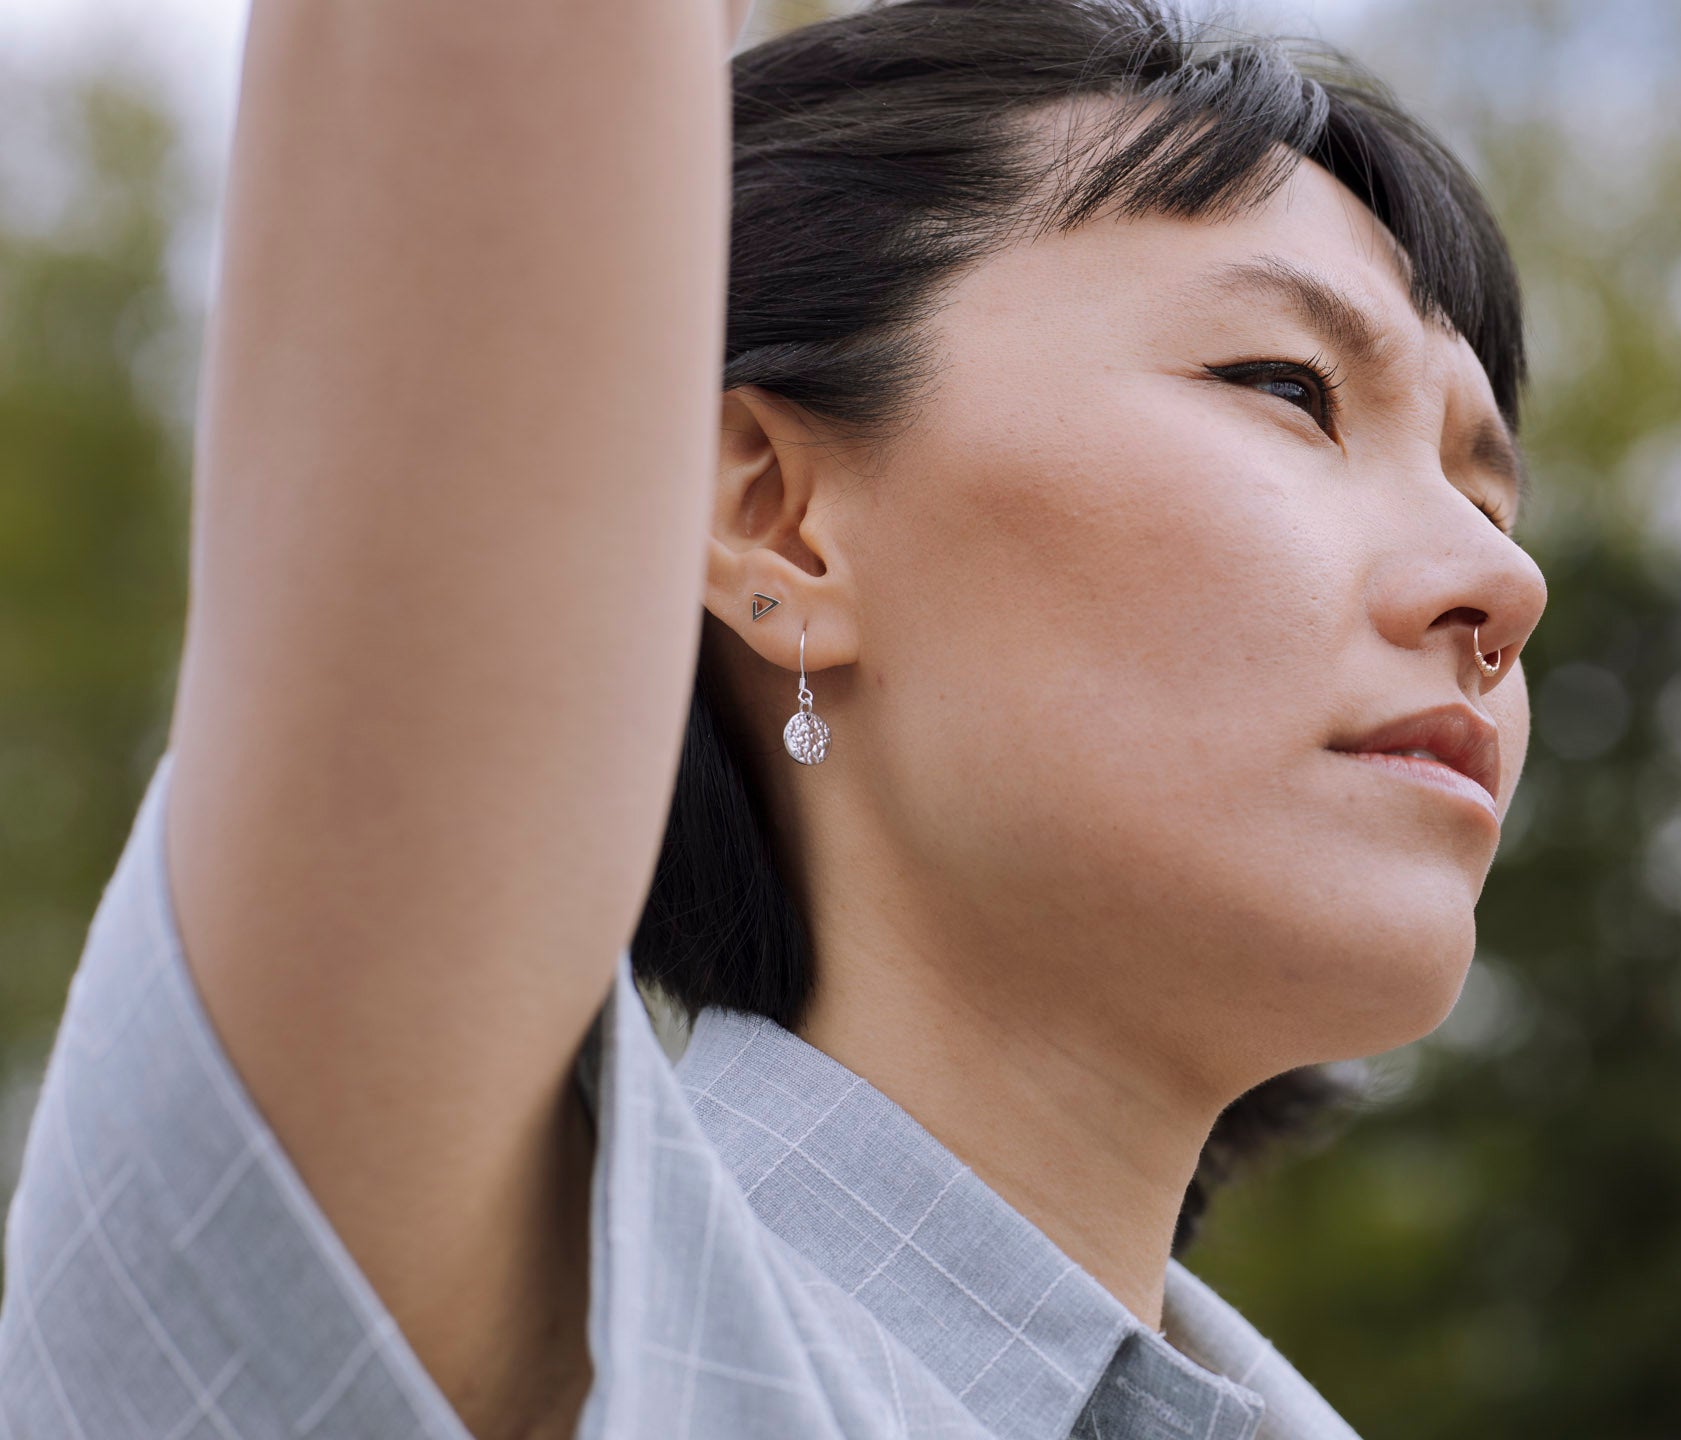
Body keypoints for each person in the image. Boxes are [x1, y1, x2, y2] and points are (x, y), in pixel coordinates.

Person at [0, 0, 1546, 1435]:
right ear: (774, 519)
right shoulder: (539, 1324)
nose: (1501, 580)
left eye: (1487, 488)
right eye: (1290, 386)